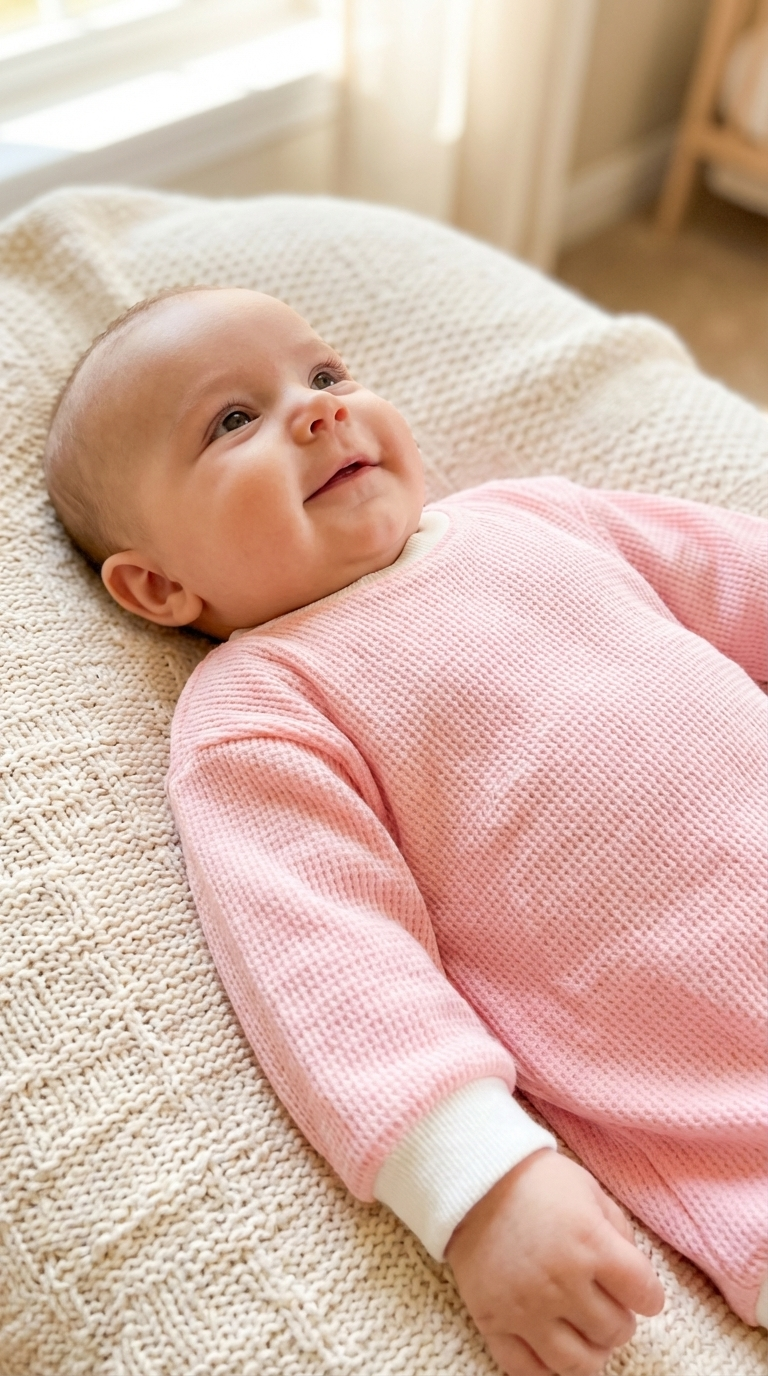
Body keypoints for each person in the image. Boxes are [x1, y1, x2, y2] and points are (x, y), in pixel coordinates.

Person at [44, 286, 768, 1376]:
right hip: (729, 1102)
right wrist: (481, 1184)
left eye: (326, 375)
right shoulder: (263, 705)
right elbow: (329, 967)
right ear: (158, 585)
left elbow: (741, 580)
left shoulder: (535, 516)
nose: (318, 411)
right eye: (231, 421)